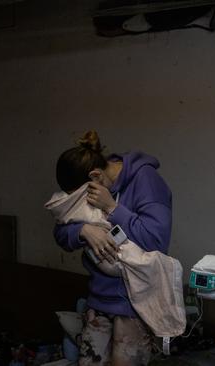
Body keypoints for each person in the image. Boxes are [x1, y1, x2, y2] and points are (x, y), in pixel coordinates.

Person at [53, 131, 173, 366]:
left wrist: (112, 207)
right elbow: (60, 230)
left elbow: (156, 241)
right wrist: (83, 230)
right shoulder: (88, 186)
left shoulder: (147, 181)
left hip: (135, 303)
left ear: (95, 176)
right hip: (98, 299)